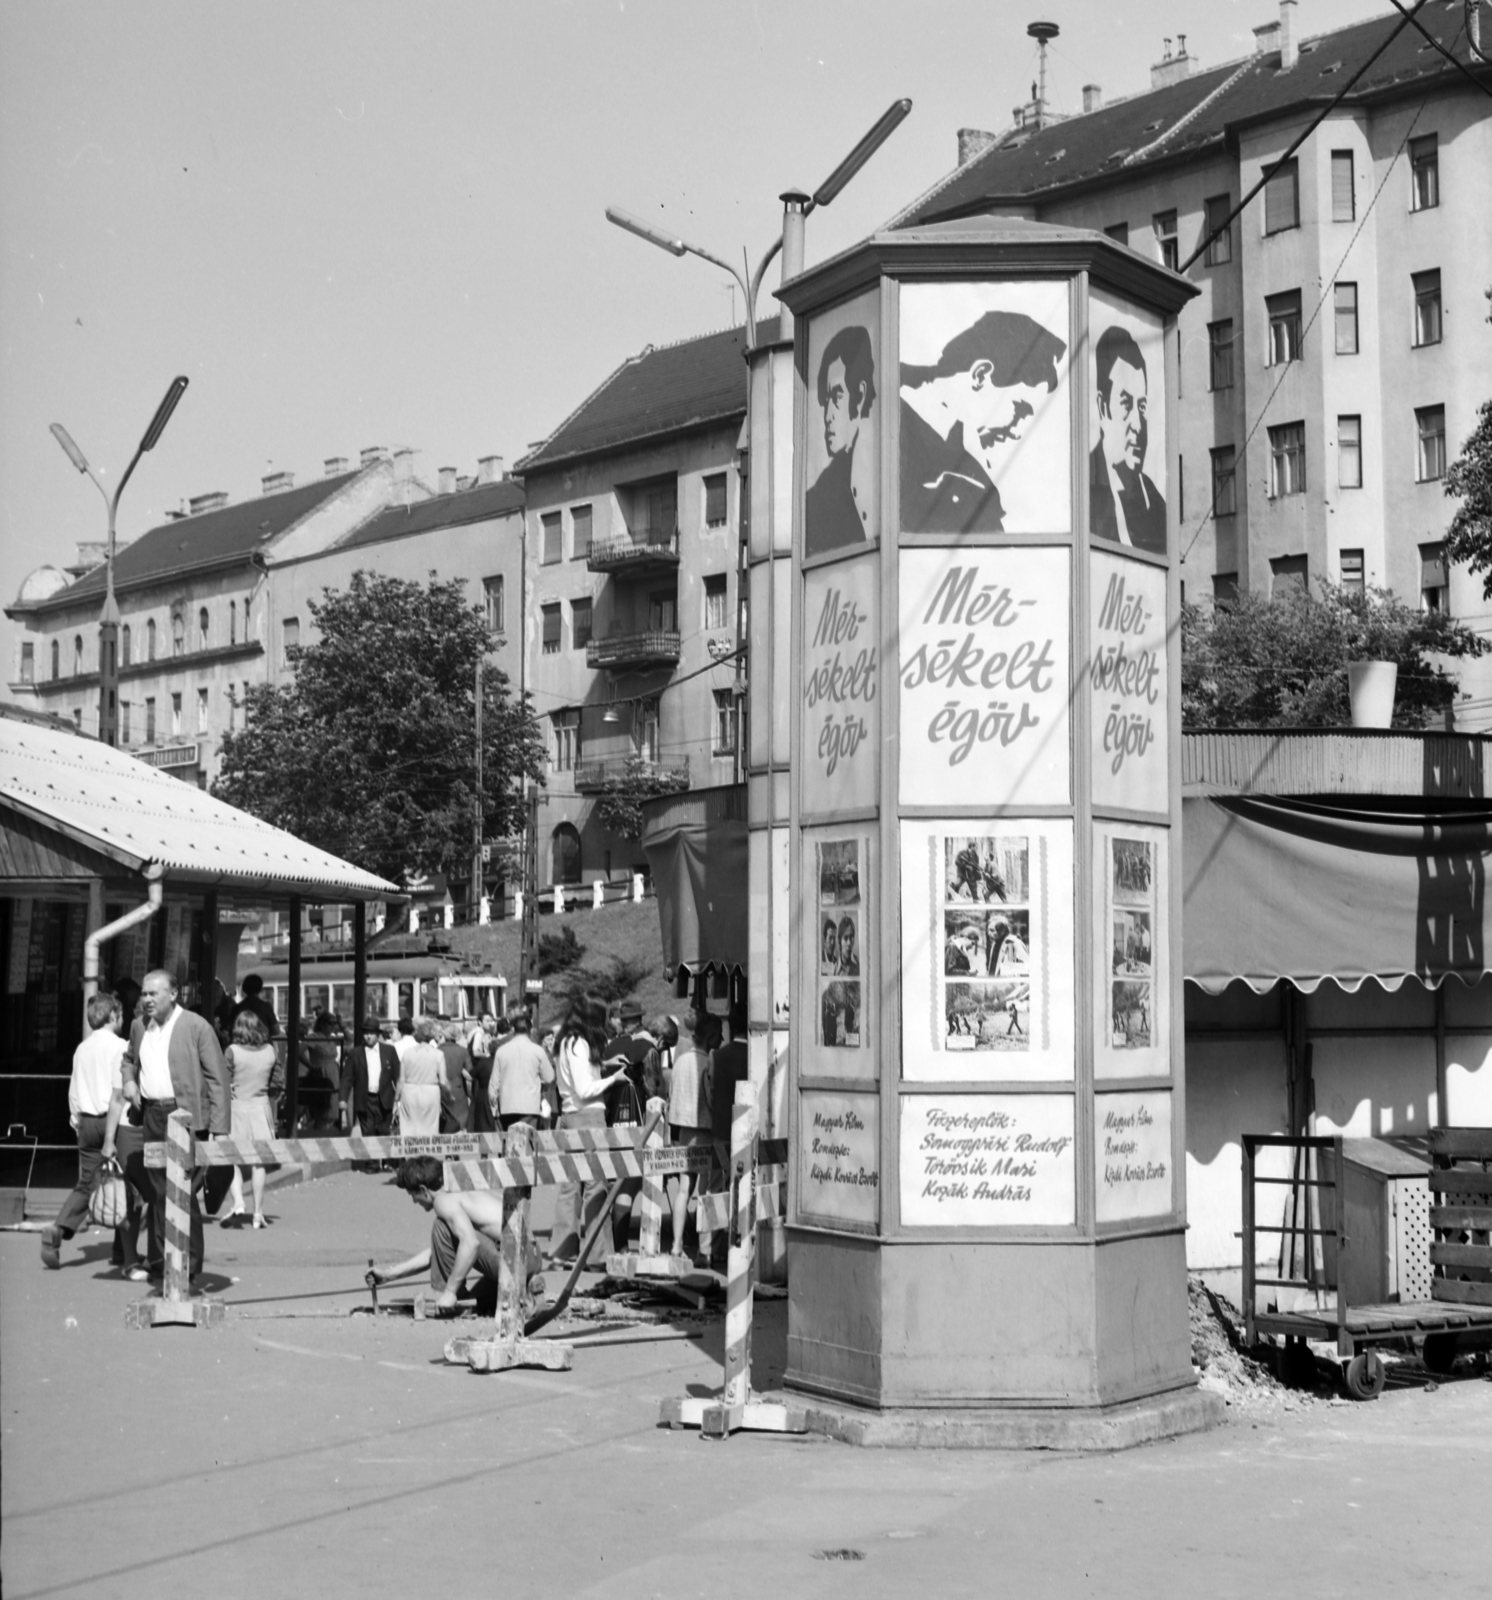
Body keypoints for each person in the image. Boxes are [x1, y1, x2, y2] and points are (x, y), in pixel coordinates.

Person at [900, 309, 1067, 533]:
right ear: (980, 375)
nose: (1017, 431)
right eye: (1019, 409)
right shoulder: (876, 399)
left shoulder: (972, 469)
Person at [117, 968, 232, 1282]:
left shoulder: (196, 1026)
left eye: (154, 993)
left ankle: (188, 1267)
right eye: (144, 993)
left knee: (183, 1191)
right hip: (152, 1115)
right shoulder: (139, 1026)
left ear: (174, 994)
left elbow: (218, 1080)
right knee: (158, 1192)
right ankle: (165, 1261)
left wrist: (220, 1131)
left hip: (187, 1117)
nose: (147, 999)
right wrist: (128, 1081)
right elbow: (128, 1060)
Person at [40, 992, 132, 1271]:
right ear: (113, 1015)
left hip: (86, 1120)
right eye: (121, 1015)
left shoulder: (82, 1049)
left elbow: (74, 1087)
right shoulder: (121, 1046)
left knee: (88, 1181)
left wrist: (75, 1116)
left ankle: (58, 1229)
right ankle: (123, 1250)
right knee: (125, 1183)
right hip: (113, 1122)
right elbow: (122, 1091)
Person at [370, 1157, 509, 1315]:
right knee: (481, 1300)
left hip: (513, 1262)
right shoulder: (461, 1189)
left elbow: (471, 1243)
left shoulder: (443, 1201)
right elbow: (439, 1252)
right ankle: (527, 1286)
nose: (414, 1201)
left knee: (440, 1227)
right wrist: (388, 1275)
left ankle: (454, 1299)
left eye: (412, 1195)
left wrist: (450, 1292)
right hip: (527, 1256)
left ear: (423, 1190)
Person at [548, 1000, 630, 1267]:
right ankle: (598, 1254)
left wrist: (605, 1064)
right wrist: (613, 1078)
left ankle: (562, 1251)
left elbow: (575, 1078)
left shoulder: (565, 1042)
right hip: (589, 1118)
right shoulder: (580, 1044)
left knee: (570, 1186)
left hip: (569, 1118)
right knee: (596, 1186)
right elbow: (584, 1089)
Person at [1089, 324, 1166, 552]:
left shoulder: (1155, 501)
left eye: (1142, 407)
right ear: (1103, 408)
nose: (1137, 423)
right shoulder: (1083, 488)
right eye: (1125, 404)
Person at [805, 323, 876, 556]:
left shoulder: (897, 462)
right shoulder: (816, 502)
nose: (827, 416)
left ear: (860, 395)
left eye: (836, 397)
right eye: (825, 401)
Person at [666, 1008, 718, 1264]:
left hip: (683, 1131)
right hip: (705, 1131)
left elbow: (672, 1095)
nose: (719, 1041)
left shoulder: (681, 1061)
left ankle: (676, 1245)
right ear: (708, 1038)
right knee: (706, 1191)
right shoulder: (707, 1062)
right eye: (717, 1036)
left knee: (684, 1189)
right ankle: (704, 1249)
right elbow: (710, 1098)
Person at [222, 1010, 279, 1230]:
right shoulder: (270, 1051)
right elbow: (277, 1081)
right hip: (260, 1108)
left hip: (236, 1108)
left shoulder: (232, 1051)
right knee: (259, 1162)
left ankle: (237, 1202)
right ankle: (258, 1213)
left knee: (232, 1160)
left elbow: (222, 1081)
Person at [489, 1009, 555, 1132]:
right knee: (527, 1145)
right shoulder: (538, 1051)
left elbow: (494, 1083)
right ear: (530, 1031)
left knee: (508, 1144)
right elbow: (549, 1077)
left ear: (513, 1030)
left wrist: (494, 1106)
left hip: (506, 1106)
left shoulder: (501, 1051)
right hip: (530, 1106)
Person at [339, 1015, 399, 1141]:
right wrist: (343, 1098)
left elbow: (397, 1076)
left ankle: (383, 1161)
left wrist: (398, 1100)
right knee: (368, 1133)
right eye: (366, 1033)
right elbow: (347, 1078)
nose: (368, 1036)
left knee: (383, 1132)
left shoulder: (389, 1051)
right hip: (365, 1100)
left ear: (378, 1035)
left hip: (385, 1099)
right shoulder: (355, 1053)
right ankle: (371, 1161)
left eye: (371, 1033)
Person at [397, 1018, 448, 1136]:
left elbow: (401, 1080)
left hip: (409, 1092)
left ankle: (410, 1153)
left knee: (408, 1128)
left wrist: (396, 1099)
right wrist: (449, 1097)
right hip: (431, 1093)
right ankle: (427, 1153)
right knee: (430, 1128)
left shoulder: (407, 1053)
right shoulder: (438, 1054)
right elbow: (443, 1082)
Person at [466, 1013, 501, 1134]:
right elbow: (475, 1052)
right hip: (478, 1071)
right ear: (480, 1022)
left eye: (492, 1020)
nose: (491, 1023)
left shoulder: (480, 1033)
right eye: (487, 1020)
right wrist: (486, 1055)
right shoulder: (479, 1033)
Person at [438, 1022, 472, 1134]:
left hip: (440, 1088)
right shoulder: (462, 1051)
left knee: (443, 1120)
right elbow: (469, 1072)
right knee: (459, 1120)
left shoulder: (437, 1050)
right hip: (458, 1089)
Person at [231, 973, 280, 1040]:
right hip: (263, 1044)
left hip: (243, 1044)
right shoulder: (265, 1007)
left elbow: (232, 1029)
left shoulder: (237, 1008)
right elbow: (276, 1031)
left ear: (244, 988)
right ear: (260, 989)